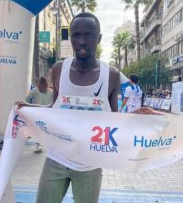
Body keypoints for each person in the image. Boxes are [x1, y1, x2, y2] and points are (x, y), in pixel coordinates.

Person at [16, 12, 159, 203]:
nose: (81, 41)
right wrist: (28, 109)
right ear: (71, 37)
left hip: (90, 164)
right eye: (76, 35)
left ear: (98, 38)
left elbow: (114, 121)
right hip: (56, 159)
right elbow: (54, 109)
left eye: (88, 35)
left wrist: (136, 117)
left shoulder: (111, 75)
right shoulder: (59, 69)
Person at [25, 77, 53, 153]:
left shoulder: (35, 90)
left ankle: (40, 145)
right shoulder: (51, 91)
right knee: (44, 129)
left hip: (37, 112)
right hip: (48, 113)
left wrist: (30, 106)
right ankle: (42, 145)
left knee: (38, 129)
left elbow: (27, 99)